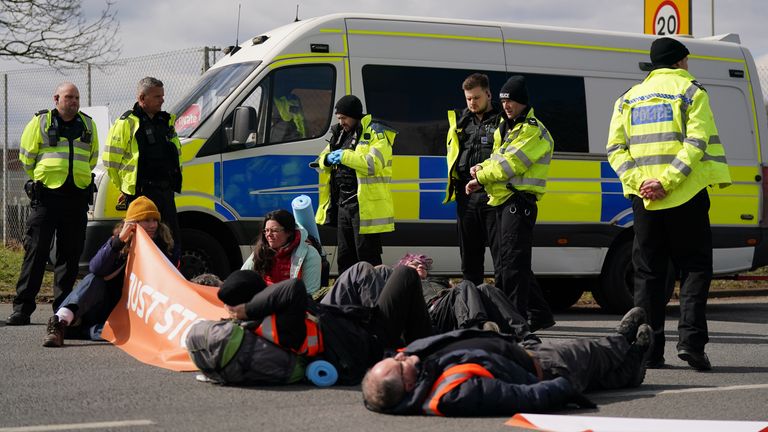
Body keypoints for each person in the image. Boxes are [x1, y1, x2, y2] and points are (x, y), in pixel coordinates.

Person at [606, 37, 732, 371]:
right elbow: (697, 141)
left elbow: (615, 149)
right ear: (679, 61)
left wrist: (641, 184)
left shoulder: (628, 98)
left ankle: (649, 349)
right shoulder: (691, 91)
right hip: (685, 195)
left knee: (648, 274)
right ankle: (691, 344)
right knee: (694, 268)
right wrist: (667, 181)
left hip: (643, 202)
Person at [362, 308, 652, 416]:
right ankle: (623, 344)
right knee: (588, 352)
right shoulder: (453, 394)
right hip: (543, 369)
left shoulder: (418, 367)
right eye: (398, 364)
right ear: (408, 384)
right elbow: (520, 398)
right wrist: (562, 388)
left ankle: (630, 369)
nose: (400, 356)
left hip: (518, 352)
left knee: (595, 374)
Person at [220, 265, 432, 384]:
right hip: (366, 343)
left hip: (340, 330)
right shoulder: (280, 321)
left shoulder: (265, 321)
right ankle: (426, 352)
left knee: (365, 270)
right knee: (406, 274)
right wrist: (247, 310)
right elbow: (294, 287)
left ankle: (392, 320)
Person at [465, 75, 555, 331]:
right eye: (504, 101)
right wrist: (481, 170)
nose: (507, 105)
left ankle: (513, 324)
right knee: (509, 263)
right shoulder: (508, 127)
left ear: (523, 102)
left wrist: (481, 176)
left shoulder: (532, 130)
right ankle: (540, 315)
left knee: (512, 266)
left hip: (519, 201)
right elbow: (497, 158)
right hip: (503, 200)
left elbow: (510, 165)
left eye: (512, 101)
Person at [6, 82, 99, 326]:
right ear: (56, 98)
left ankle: (62, 310)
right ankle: (22, 309)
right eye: (69, 97)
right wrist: (44, 176)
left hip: (76, 196)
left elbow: (92, 157)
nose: (74, 101)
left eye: (77, 97)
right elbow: (27, 157)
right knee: (36, 253)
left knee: (70, 256)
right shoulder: (40, 123)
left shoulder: (88, 124)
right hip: (46, 196)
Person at [42, 197, 174, 347]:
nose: (152, 225)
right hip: (105, 305)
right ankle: (59, 322)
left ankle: (83, 330)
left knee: (122, 334)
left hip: (133, 311)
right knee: (93, 279)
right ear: (131, 224)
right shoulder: (118, 242)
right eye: (145, 220)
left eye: (154, 220)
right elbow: (96, 268)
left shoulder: (163, 246)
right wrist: (119, 242)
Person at [322, 254, 531, 340]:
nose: (420, 266)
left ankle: (526, 336)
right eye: (414, 264)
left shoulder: (439, 281)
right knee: (466, 284)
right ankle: (477, 330)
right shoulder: (396, 279)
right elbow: (376, 278)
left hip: (449, 308)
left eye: (423, 265)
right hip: (427, 313)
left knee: (486, 288)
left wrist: (450, 289)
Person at [314, 95, 397, 275]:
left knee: (367, 258)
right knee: (345, 258)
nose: (341, 122)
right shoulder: (340, 134)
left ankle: (372, 299)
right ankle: (345, 298)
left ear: (354, 116)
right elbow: (320, 160)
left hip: (364, 207)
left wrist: (344, 156)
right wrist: (327, 160)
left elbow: (372, 164)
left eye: (344, 118)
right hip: (343, 205)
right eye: (339, 119)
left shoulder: (377, 133)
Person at [103, 76, 182, 257]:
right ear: (142, 98)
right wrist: (125, 188)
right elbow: (110, 161)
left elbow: (176, 154)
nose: (162, 100)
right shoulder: (127, 123)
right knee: (142, 244)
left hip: (165, 193)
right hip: (141, 194)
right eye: (157, 96)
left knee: (171, 242)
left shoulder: (166, 121)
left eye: (162, 95)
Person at [444, 73, 502, 285]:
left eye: (476, 98)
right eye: (468, 98)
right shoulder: (461, 120)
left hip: (493, 195)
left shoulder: (502, 119)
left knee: (501, 259)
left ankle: (501, 307)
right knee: (469, 260)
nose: (472, 103)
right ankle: (472, 306)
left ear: (488, 94)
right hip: (466, 196)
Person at [240, 209, 322, 295]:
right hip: (262, 301)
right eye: (266, 230)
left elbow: (310, 293)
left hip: (293, 304)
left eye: (274, 230)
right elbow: (242, 277)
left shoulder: (309, 253)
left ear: (289, 232)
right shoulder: (261, 250)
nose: (269, 235)